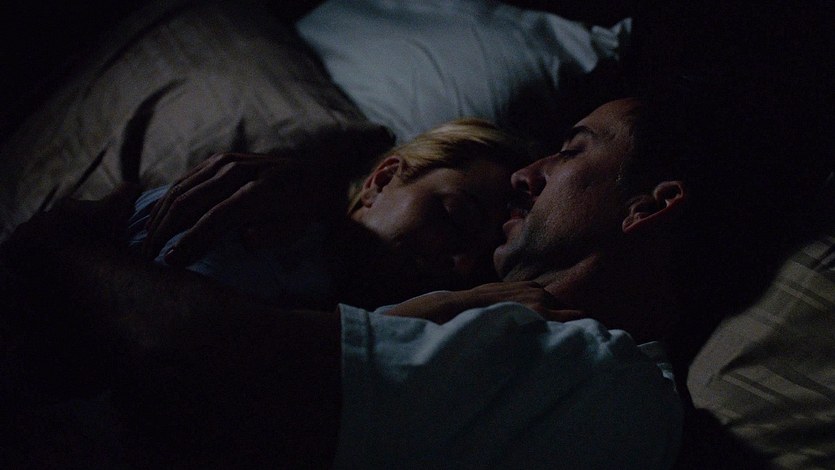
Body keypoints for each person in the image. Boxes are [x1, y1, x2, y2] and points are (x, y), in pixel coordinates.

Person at [4, 90, 745, 468]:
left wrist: (57, 246)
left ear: (650, 206)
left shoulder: (594, 370)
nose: (530, 175)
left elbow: (194, 357)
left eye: (573, 151)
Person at [126, 118, 533, 310]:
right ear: (381, 180)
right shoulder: (264, 221)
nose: (463, 268)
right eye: (457, 218)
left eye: (483, 266)